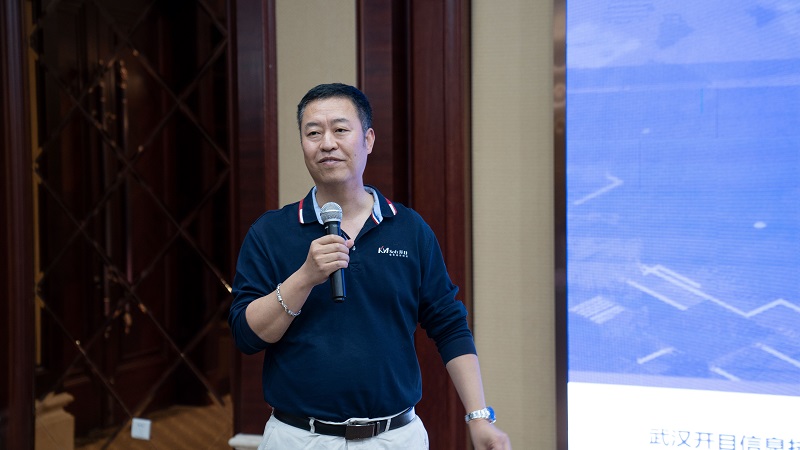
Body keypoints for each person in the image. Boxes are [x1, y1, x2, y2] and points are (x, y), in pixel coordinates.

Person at [229, 82, 511, 449]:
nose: (327, 143)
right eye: (313, 133)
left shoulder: (409, 229)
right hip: (299, 437)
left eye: (340, 130)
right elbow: (246, 335)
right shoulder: (270, 232)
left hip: (395, 437)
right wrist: (305, 278)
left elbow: (449, 325)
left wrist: (479, 417)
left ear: (368, 140)